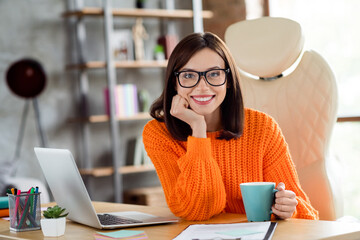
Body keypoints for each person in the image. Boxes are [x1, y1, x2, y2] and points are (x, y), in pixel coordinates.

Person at [142, 32, 319, 221]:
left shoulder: (263, 128)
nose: (202, 87)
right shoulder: (159, 134)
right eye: (188, 75)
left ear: (228, 80)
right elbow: (197, 210)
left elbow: (307, 215)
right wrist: (198, 128)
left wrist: (289, 209)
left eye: (214, 74)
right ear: (174, 83)